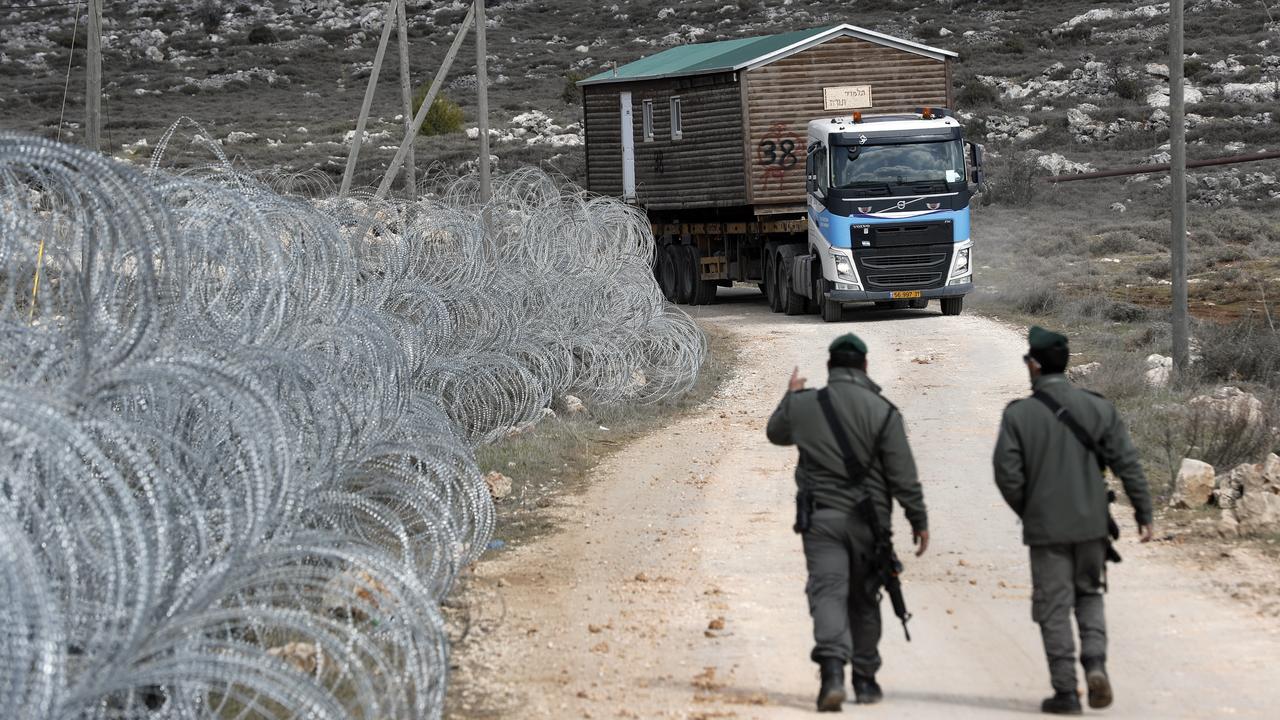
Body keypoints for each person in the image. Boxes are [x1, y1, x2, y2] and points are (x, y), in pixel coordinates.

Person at [993, 326, 1154, 715]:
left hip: (1046, 530)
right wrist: (1144, 511)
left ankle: (1066, 692)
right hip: (1092, 526)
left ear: (1033, 366)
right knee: (1089, 595)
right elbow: (1127, 464)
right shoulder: (1099, 408)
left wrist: (1030, 509)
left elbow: (1006, 474)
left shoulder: (1020, 415)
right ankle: (1095, 665)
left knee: (1052, 608)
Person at [767, 333, 929, 712]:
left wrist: (791, 395)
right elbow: (902, 476)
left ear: (829, 368)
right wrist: (918, 519)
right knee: (864, 597)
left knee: (827, 593)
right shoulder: (885, 412)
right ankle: (866, 680)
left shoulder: (805, 405)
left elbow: (776, 434)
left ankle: (832, 676)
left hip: (820, 519)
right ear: (865, 367)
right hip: (870, 524)